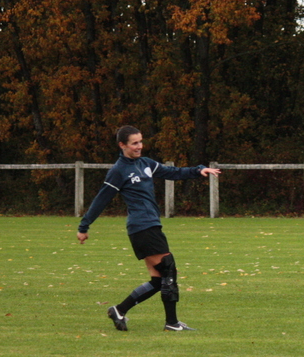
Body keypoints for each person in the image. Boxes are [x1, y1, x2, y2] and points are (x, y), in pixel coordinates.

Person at [77, 126, 221, 332]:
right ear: (122, 145)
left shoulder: (146, 163)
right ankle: (172, 323)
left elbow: (173, 172)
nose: (139, 146)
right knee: (168, 269)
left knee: (158, 280)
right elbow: (102, 199)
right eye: (134, 143)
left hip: (151, 225)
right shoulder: (118, 170)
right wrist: (84, 226)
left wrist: (198, 170)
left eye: (140, 141)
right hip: (142, 227)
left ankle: (119, 310)